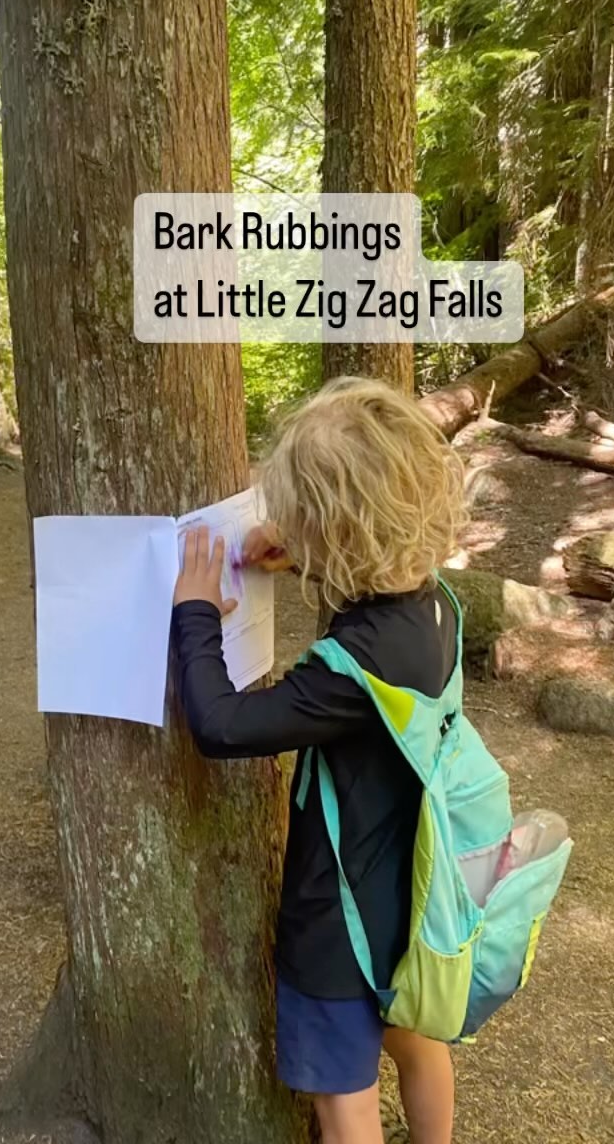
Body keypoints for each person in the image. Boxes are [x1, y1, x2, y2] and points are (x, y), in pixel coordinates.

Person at [172, 377, 467, 1144]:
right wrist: (300, 555)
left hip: (340, 927)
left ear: (336, 531)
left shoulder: (349, 669)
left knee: (345, 1103)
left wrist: (196, 612)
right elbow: (368, 585)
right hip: (411, 891)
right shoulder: (432, 604)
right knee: (415, 1040)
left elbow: (222, 725)